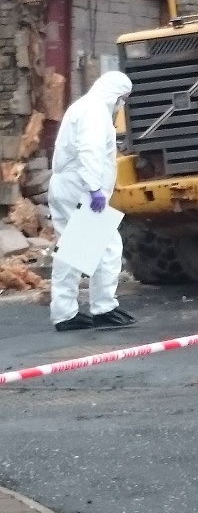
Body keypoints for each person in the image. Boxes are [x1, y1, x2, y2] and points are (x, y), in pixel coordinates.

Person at [48, 71, 135, 332]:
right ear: (117, 95)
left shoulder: (83, 107)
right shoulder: (96, 112)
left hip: (68, 185)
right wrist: (94, 187)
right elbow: (90, 150)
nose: (122, 104)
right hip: (82, 187)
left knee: (74, 251)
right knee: (108, 247)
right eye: (124, 99)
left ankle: (64, 312)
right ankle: (104, 307)